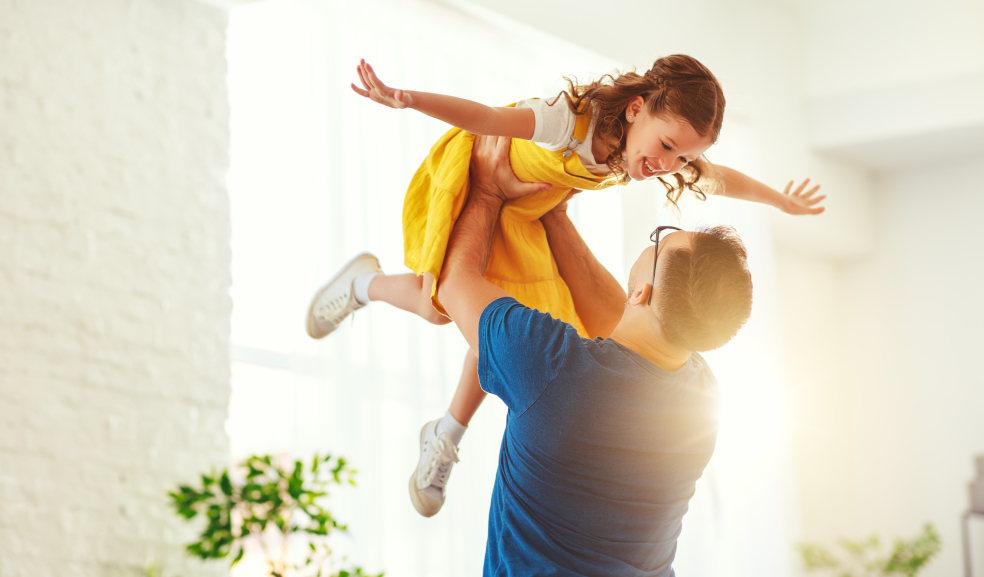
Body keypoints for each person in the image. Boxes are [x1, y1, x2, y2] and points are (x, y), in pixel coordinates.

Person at [305, 54, 819, 516]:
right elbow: (487, 119)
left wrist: (780, 201)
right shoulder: (571, 121)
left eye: (682, 158)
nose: (669, 165)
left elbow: (720, 178)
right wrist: (406, 100)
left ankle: (445, 433)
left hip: (525, 208)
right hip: (480, 173)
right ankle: (362, 284)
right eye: (667, 146)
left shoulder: (652, 154)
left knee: (502, 322)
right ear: (636, 108)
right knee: (436, 304)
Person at [442, 134, 752, 575]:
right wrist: (554, 214)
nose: (655, 240)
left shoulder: (551, 367)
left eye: (662, 239)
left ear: (642, 290)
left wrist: (489, 191)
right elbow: (619, 318)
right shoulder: (701, 400)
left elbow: (456, 283)